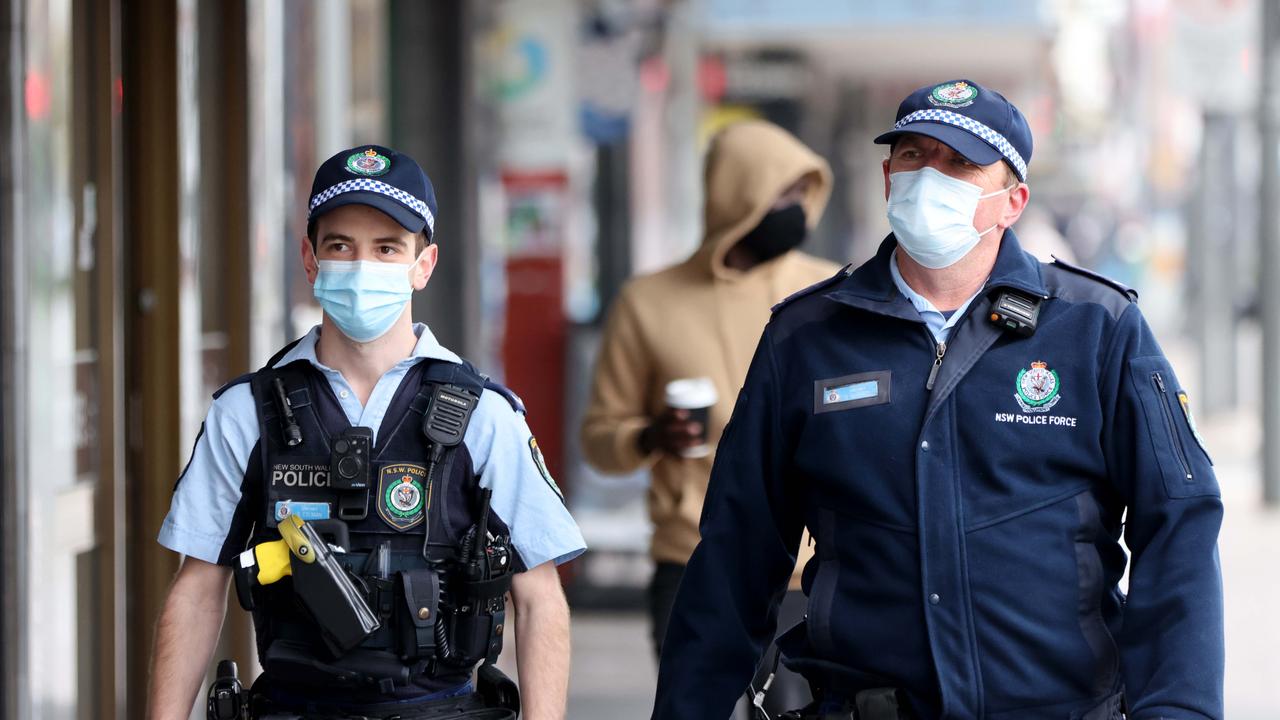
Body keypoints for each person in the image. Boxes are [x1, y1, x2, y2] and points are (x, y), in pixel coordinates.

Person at [651, 80, 1225, 720]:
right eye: (914, 155)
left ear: (1013, 201)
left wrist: (1178, 709)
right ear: (888, 177)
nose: (931, 176)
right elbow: (737, 551)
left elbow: (1178, 525)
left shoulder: (1097, 328)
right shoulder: (807, 337)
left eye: (960, 163)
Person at [147, 145, 586, 720]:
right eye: (340, 247)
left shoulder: (483, 414)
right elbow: (198, 587)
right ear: (309, 260)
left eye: (386, 249)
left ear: (422, 265)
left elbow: (540, 599)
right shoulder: (248, 412)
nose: (361, 267)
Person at [581, 120, 839, 714]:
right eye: (781, 194)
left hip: (815, 568)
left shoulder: (830, 291)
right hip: (691, 563)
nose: (796, 209)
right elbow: (599, 440)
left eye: (803, 195)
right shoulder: (648, 302)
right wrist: (651, 435)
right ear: (736, 196)